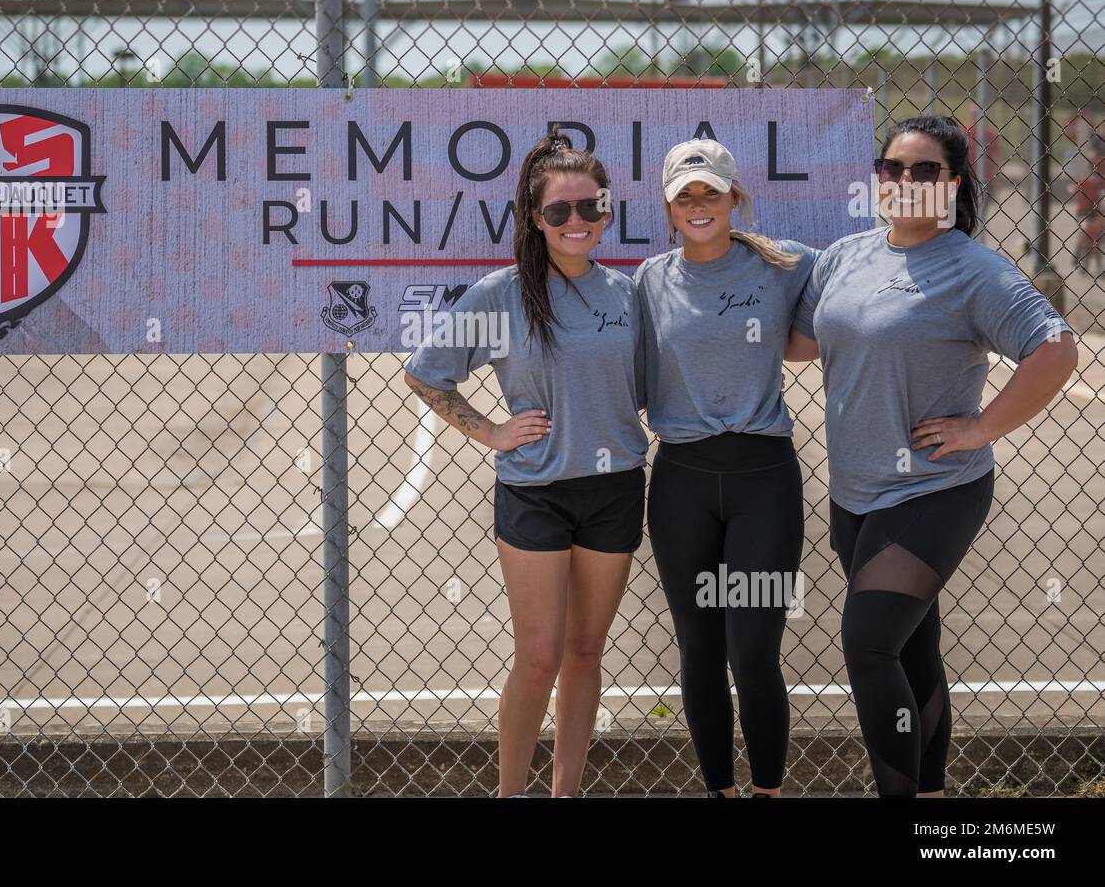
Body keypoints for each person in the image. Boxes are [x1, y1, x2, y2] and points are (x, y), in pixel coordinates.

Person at [788, 115, 1078, 797]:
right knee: (913, 649)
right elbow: (804, 342)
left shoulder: (971, 269)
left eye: (926, 171)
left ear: (952, 184)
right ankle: (931, 796)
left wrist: (980, 429)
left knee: (869, 645)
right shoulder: (847, 256)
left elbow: (1056, 348)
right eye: (895, 168)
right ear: (878, 179)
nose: (907, 181)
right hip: (856, 493)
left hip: (932, 493)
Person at [402, 127, 646, 798]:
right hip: (536, 493)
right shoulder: (502, 295)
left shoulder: (629, 296)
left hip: (616, 490)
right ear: (536, 220)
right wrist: (491, 432)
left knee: (585, 654)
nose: (577, 221)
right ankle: (511, 793)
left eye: (590, 207)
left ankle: (566, 792)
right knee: (538, 660)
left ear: (607, 211)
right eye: (559, 211)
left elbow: (654, 386)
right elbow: (427, 376)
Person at [637, 138, 817, 798]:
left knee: (752, 649)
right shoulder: (649, 280)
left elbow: (851, 294)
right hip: (681, 481)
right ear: (668, 208)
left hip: (762, 479)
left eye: (710, 192)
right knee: (701, 652)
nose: (699, 205)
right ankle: (721, 791)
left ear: (734, 197)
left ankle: (767, 790)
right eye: (685, 196)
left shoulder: (784, 265)